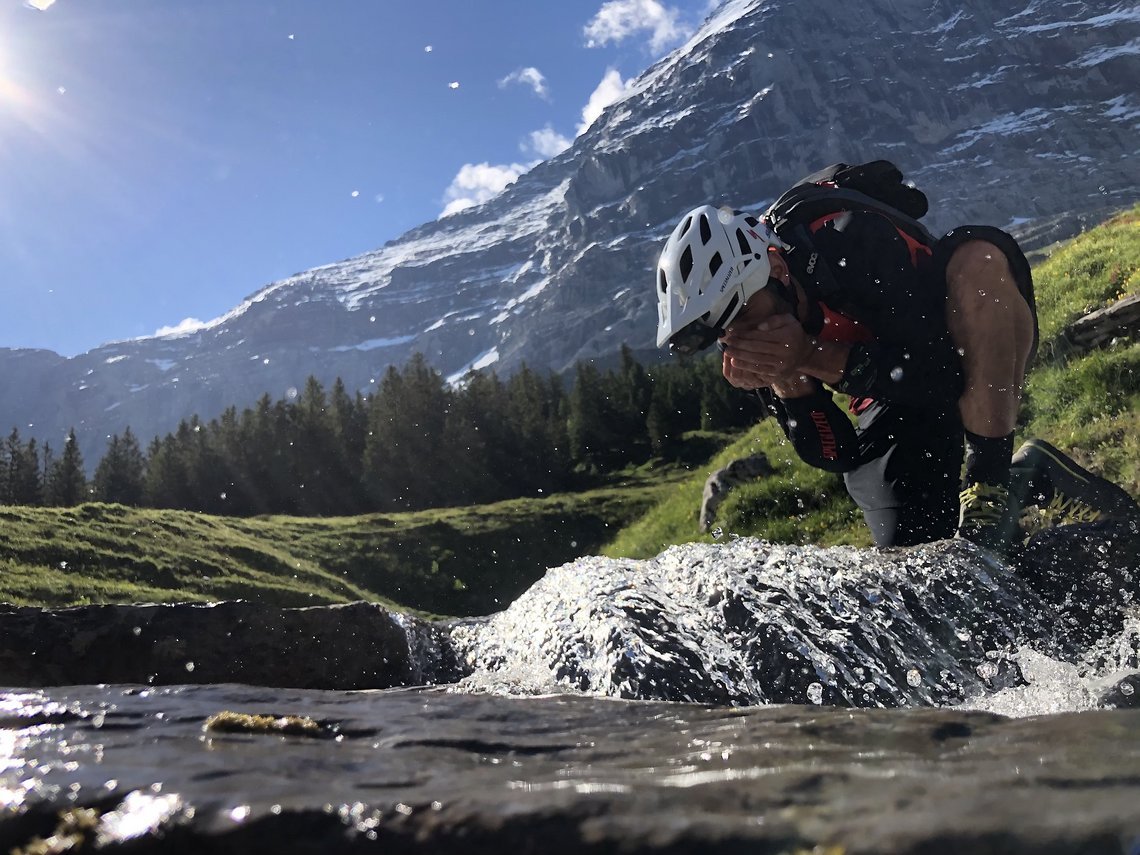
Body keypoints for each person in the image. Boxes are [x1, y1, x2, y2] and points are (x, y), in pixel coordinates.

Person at [653, 173, 1136, 551]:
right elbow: (838, 453)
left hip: (963, 340)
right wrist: (788, 382)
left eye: (745, 315)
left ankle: (990, 476)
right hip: (884, 387)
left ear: (776, 269)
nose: (742, 335)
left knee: (977, 259)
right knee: (921, 550)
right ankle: (1030, 473)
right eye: (726, 333)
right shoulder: (753, 329)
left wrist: (810, 354)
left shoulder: (848, 237)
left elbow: (945, 376)